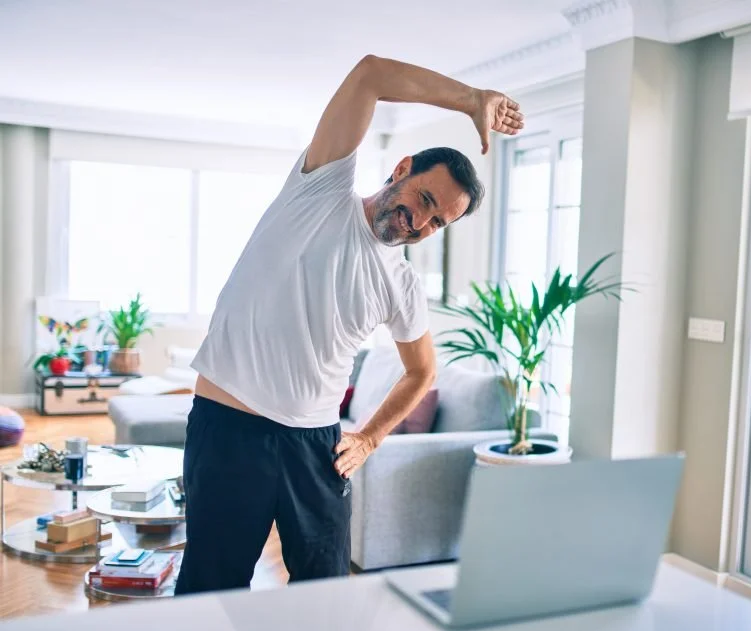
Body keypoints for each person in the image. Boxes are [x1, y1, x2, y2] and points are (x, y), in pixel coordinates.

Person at [174, 55, 525, 595]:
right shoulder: (319, 190)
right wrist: (473, 100)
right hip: (230, 429)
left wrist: (370, 437)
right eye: (425, 200)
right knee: (208, 593)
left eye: (438, 222)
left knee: (328, 597)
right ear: (402, 167)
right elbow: (370, 75)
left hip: (318, 447)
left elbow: (421, 371)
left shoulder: (402, 285)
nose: (422, 223)